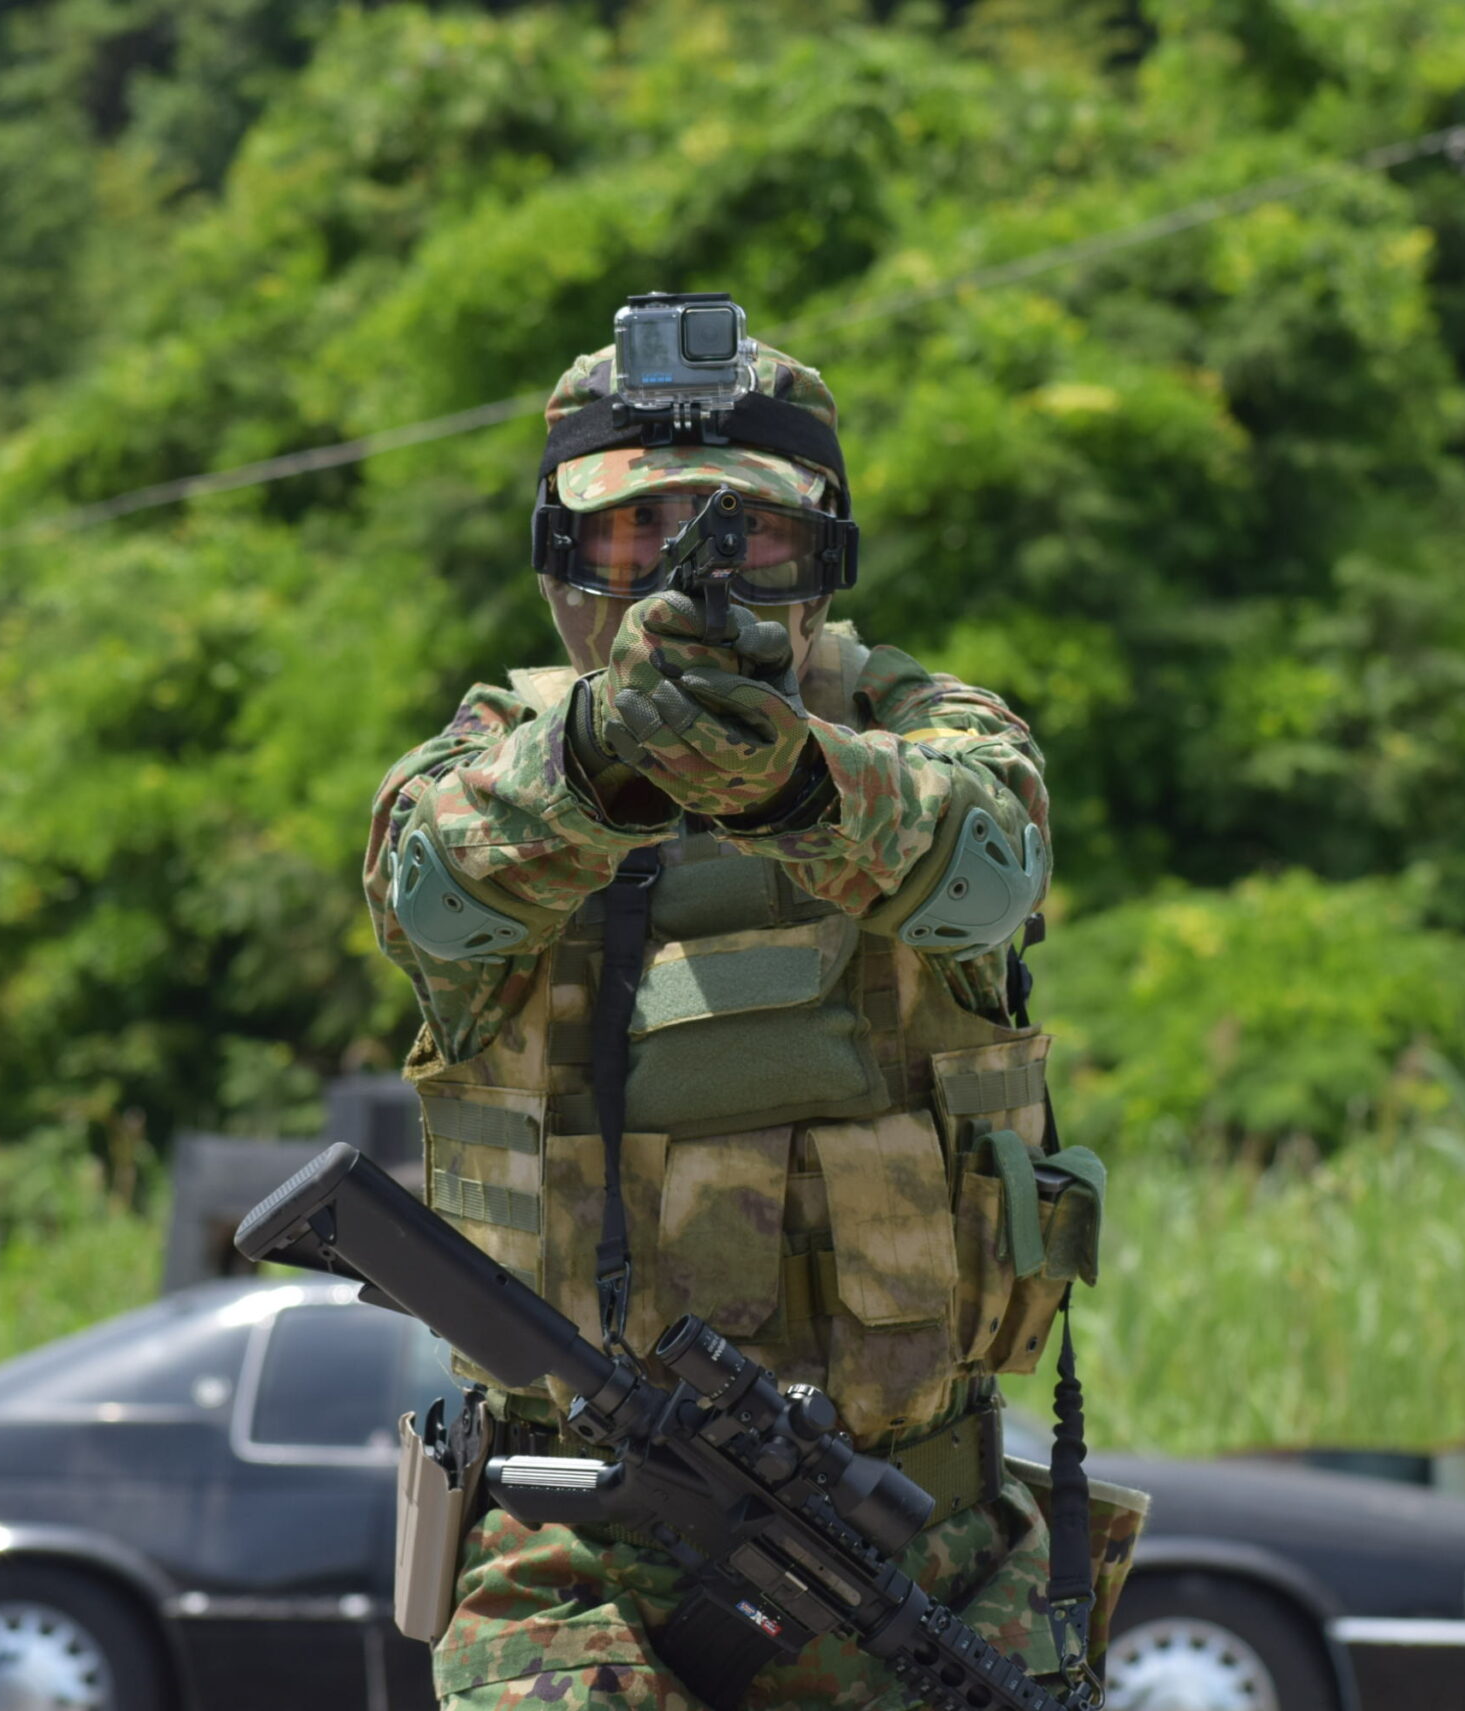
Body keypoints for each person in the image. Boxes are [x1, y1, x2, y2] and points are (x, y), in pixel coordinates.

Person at [365, 313, 1125, 1711]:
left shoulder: (929, 730)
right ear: (560, 564)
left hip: (922, 1553)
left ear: (823, 560)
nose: (682, 578)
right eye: (629, 537)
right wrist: (596, 765)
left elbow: (985, 862)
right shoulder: (492, 761)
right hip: (583, 1572)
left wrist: (798, 786)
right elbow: (431, 887)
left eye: (746, 538)